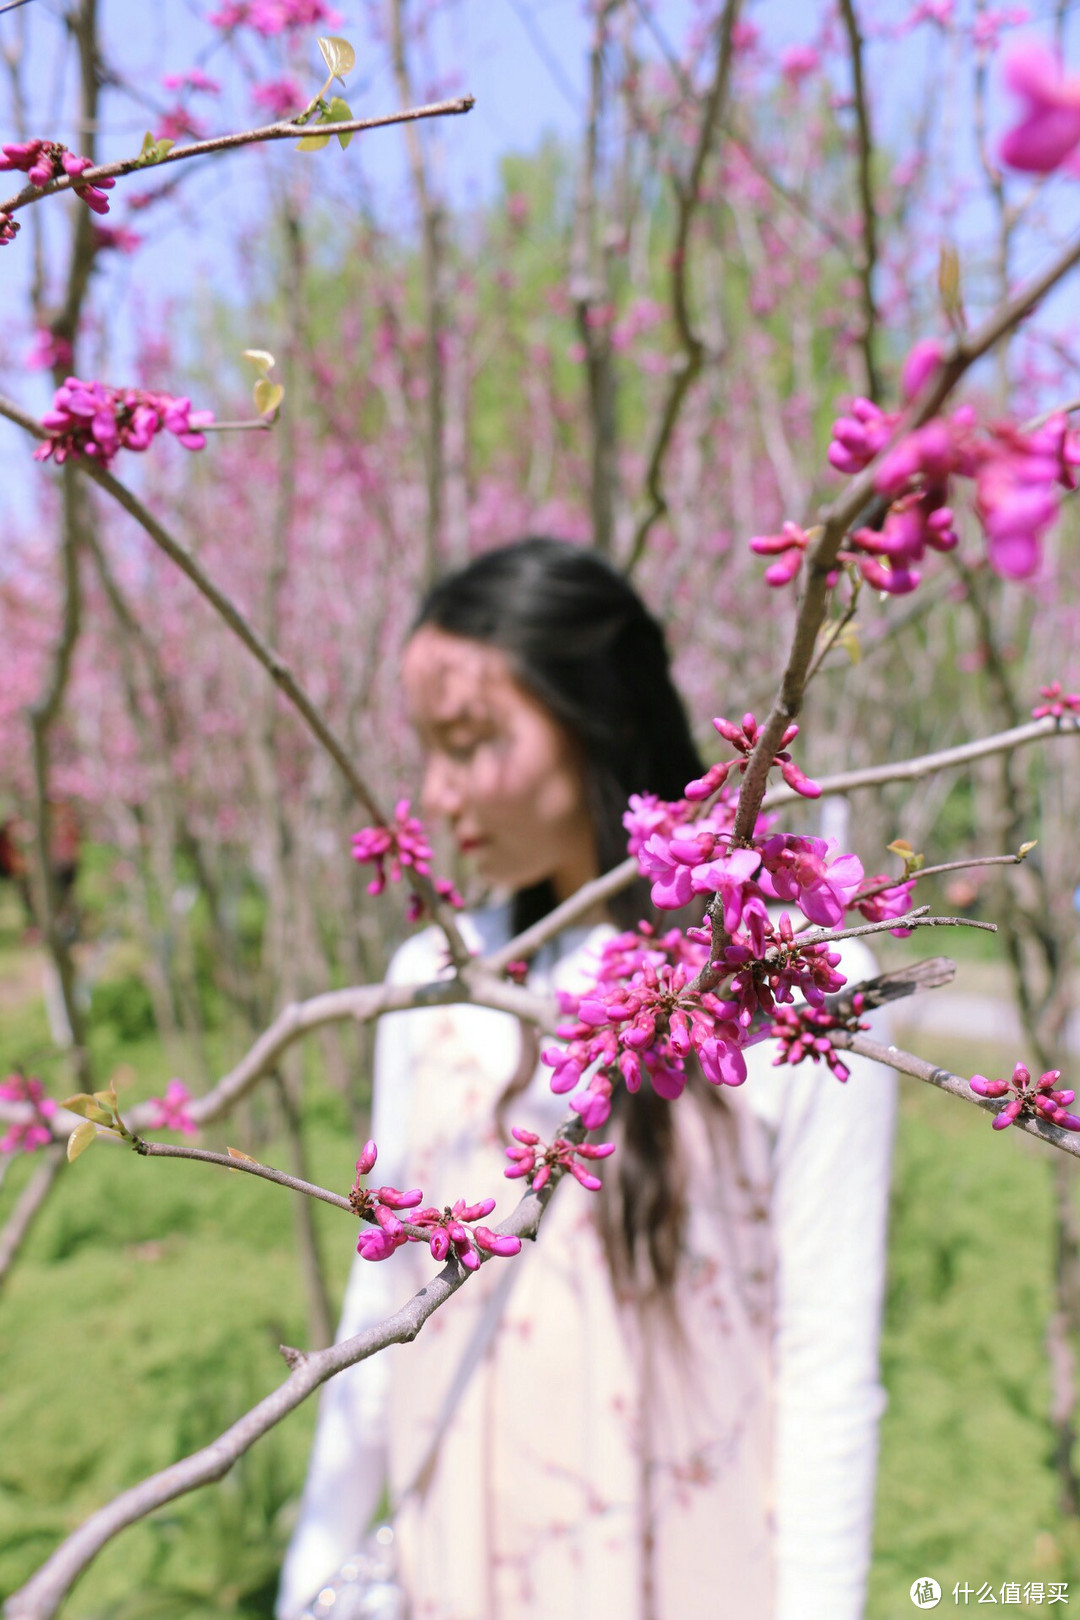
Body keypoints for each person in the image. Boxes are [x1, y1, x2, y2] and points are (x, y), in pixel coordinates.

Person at [277, 537, 897, 1620]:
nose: (435, 792)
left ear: (596, 718)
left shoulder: (796, 985)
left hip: (684, 1563)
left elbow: (827, 1371)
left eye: (469, 742)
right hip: (458, 1551)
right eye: (426, 748)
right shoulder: (430, 986)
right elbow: (381, 1310)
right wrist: (314, 1574)